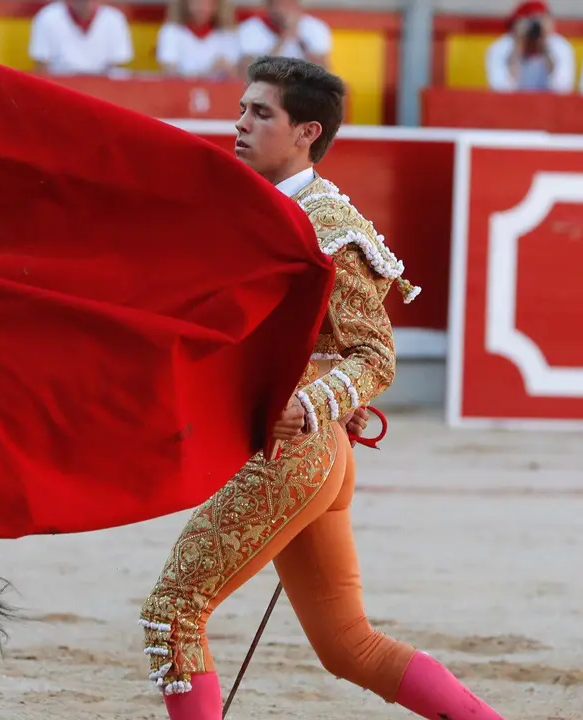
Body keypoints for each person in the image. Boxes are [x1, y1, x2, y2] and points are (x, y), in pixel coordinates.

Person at [138, 56, 505, 720]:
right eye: (243, 107)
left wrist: (308, 403)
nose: (241, 122)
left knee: (173, 611)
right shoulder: (256, 208)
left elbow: (375, 358)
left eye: (261, 113)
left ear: (306, 131)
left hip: (294, 451)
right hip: (303, 455)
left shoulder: (329, 226)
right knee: (348, 645)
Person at [485, 1, 574, 94]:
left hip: (548, 106)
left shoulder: (560, 47)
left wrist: (544, 47)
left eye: (540, 20)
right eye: (530, 21)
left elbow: (562, 89)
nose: (535, 28)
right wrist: (518, 47)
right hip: (513, 106)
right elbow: (501, 90)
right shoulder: (500, 48)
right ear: (515, 25)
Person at [27, 0, 133, 77]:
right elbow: (41, 67)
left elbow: (117, 66)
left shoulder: (114, 19)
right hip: (61, 87)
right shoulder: (47, 17)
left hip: (102, 88)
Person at [156, 0, 240, 80]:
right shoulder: (170, 31)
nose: (201, 5)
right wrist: (208, 73)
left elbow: (237, 79)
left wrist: (230, 71)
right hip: (179, 93)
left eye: (207, 2)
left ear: (216, 4)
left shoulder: (228, 34)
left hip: (219, 93)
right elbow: (170, 74)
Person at [236, 0, 330, 68]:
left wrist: (299, 40)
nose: (283, 9)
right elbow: (248, 73)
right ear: (268, 6)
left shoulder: (315, 26)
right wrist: (283, 39)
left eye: (288, 3)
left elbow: (324, 71)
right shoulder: (251, 28)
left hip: (302, 88)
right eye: (278, 3)